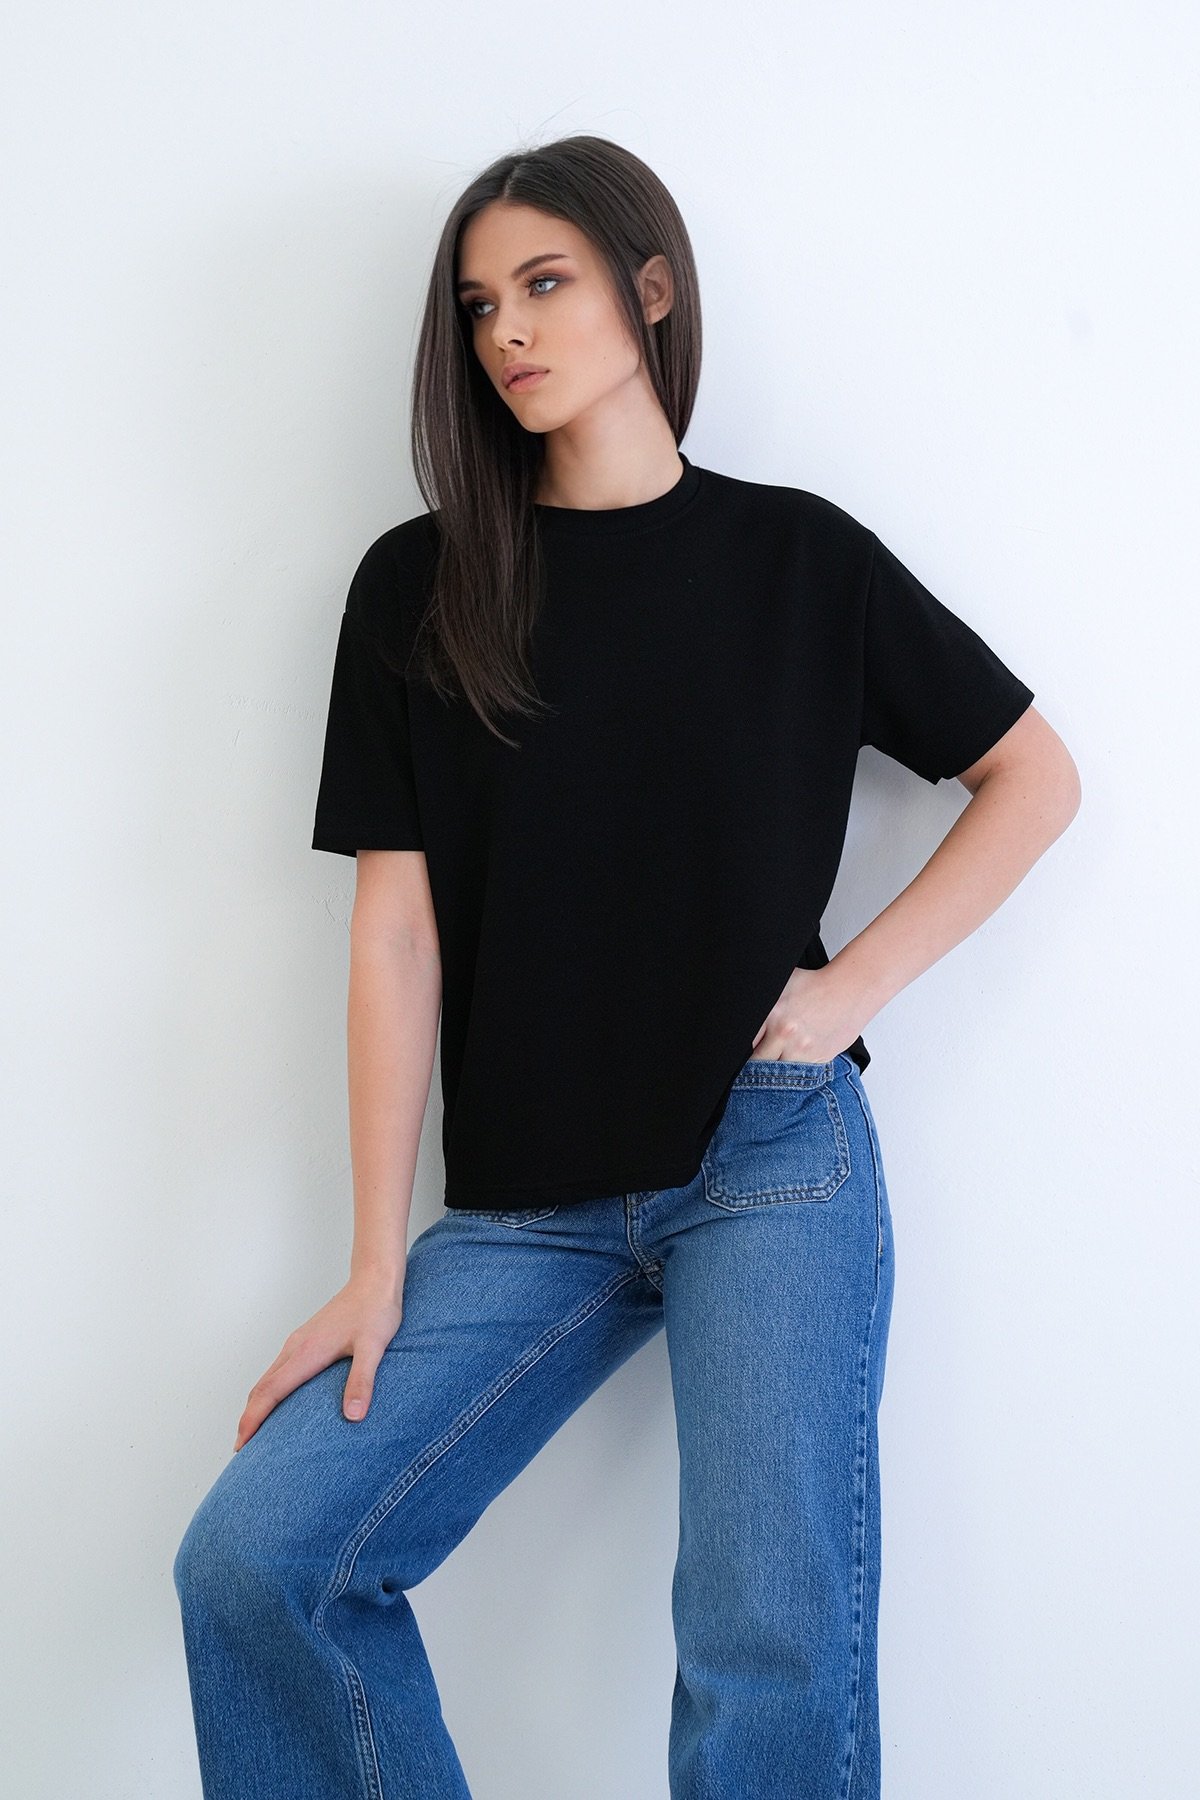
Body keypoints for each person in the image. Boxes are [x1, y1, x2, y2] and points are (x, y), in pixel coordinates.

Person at [172, 135, 1080, 1799]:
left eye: (545, 283)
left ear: (649, 290)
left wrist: (848, 993)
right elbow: (396, 931)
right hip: (524, 1203)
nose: (507, 331)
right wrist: (375, 1265)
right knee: (260, 1562)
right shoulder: (421, 584)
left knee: (767, 1651)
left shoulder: (798, 560)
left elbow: (1033, 775)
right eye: (477, 306)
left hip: (766, 1159)